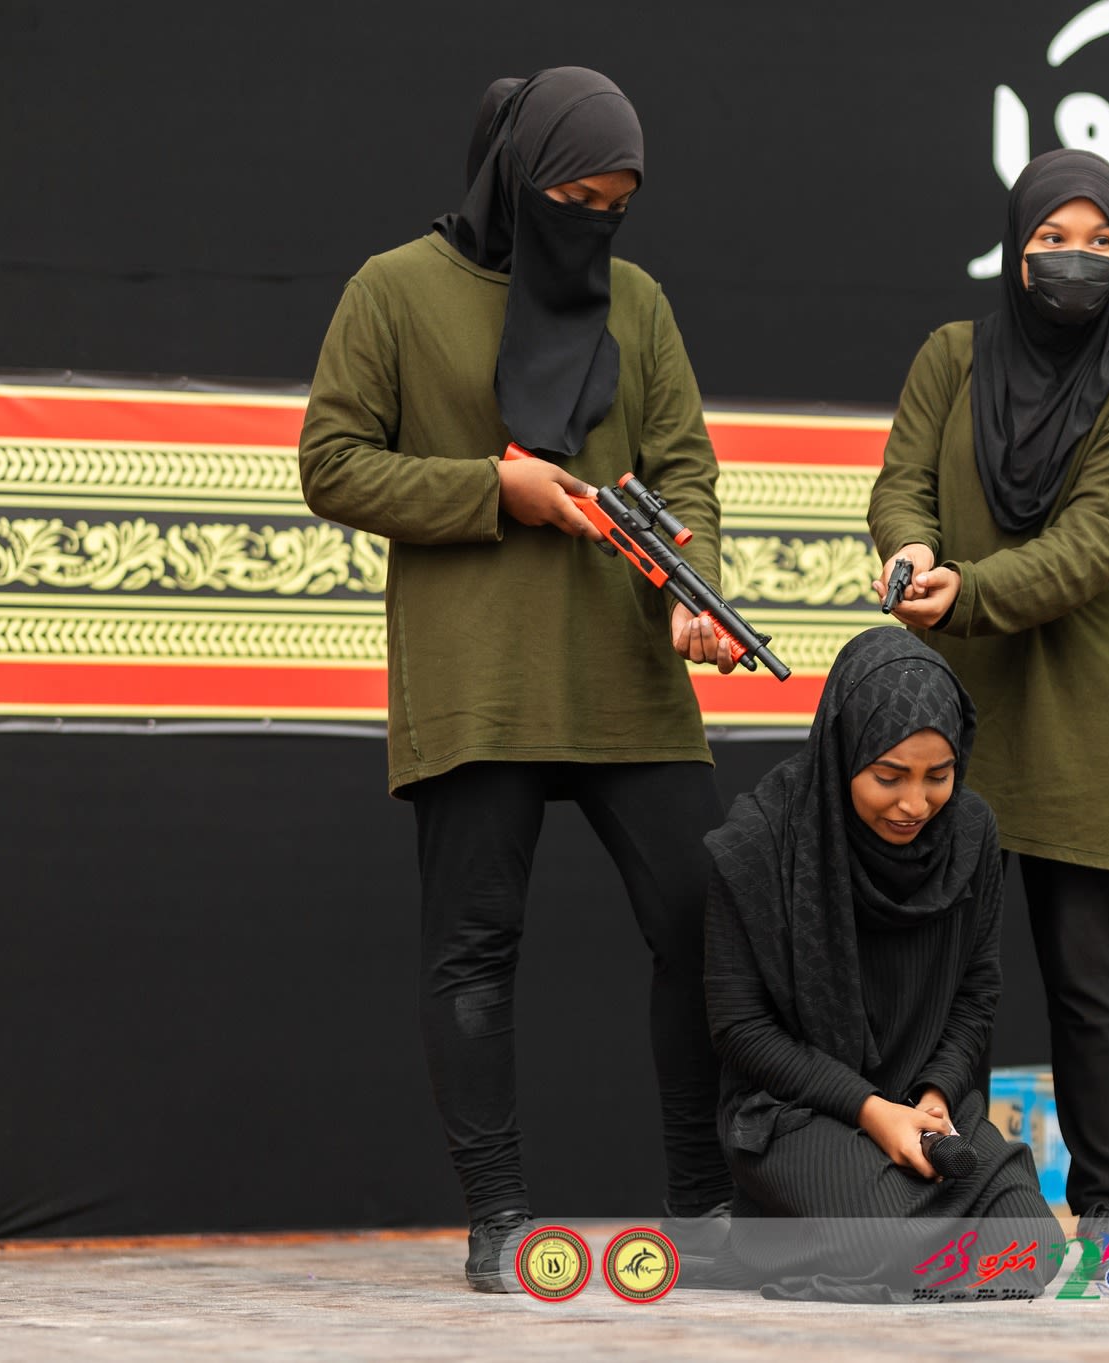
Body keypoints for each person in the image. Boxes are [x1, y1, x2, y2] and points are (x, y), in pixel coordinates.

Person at [297, 67, 737, 1290]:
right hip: (477, 676)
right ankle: (497, 1219)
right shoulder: (397, 289)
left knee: (707, 921)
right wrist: (495, 487)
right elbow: (332, 463)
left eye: (615, 206)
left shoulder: (636, 303)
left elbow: (685, 469)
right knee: (474, 948)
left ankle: (702, 1204)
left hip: (626, 670)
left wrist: (691, 588)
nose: (592, 224)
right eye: (572, 198)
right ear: (517, 174)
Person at [865, 148, 1109, 1272]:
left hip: (1072, 712)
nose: (1075, 260)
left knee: (1085, 977)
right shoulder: (951, 357)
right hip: (947, 713)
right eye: (1055, 238)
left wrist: (968, 592)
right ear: (1016, 246)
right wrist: (910, 547)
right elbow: (902, 482)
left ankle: (1106, 1209)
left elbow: (1092, 546)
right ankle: (938, 1198)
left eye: (1101, 243)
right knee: (938, 975)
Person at [703, 628, 1065, 1301]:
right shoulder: (759, 842)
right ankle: (775, 1237)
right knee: (886, 1237)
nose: (914, 804)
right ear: (843, 752)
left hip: (922, 1103)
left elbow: (976, 993)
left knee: (1034, 1240)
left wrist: (935, 1097)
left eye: (939, 776)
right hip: (798, 1112)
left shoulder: (971, 834)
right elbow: (741, 1029)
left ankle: (863, 1245)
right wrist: (869, 1110)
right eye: (889, 777)